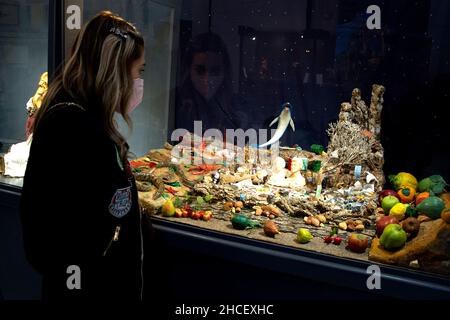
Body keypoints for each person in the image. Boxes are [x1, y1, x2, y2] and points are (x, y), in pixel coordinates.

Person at [20, 11, 147, 300]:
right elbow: (63, 233)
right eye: (139, 71)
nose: (140, 81)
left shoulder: (79, 119)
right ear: (115, 71)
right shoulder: (75, 127)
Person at [175, 32, 240, 134]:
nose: (207, 79)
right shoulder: (173, 103)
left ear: (224, 73)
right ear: (189, 70)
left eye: (215, 72)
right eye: (200, 71)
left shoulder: (236, 107)